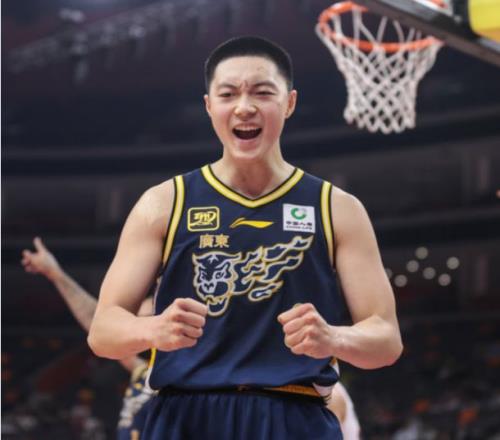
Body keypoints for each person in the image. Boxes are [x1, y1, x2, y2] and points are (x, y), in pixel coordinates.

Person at [88, 36, 403, 439]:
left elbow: (386, 341)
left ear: (289, 103)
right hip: (185, 415)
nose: (244, 107)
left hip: (294, 414)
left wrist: (333, 337)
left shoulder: (337, 208)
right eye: (228, 94)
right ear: (209, 106)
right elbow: (103, 332)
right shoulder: (164, 203)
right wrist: (152, 330)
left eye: (262, 92)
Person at [21, 237, 155, 440]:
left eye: (141, 319)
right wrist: (56, 274)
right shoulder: (143, 371)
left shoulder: (184, 383)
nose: (133, 326)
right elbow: (99, 324)